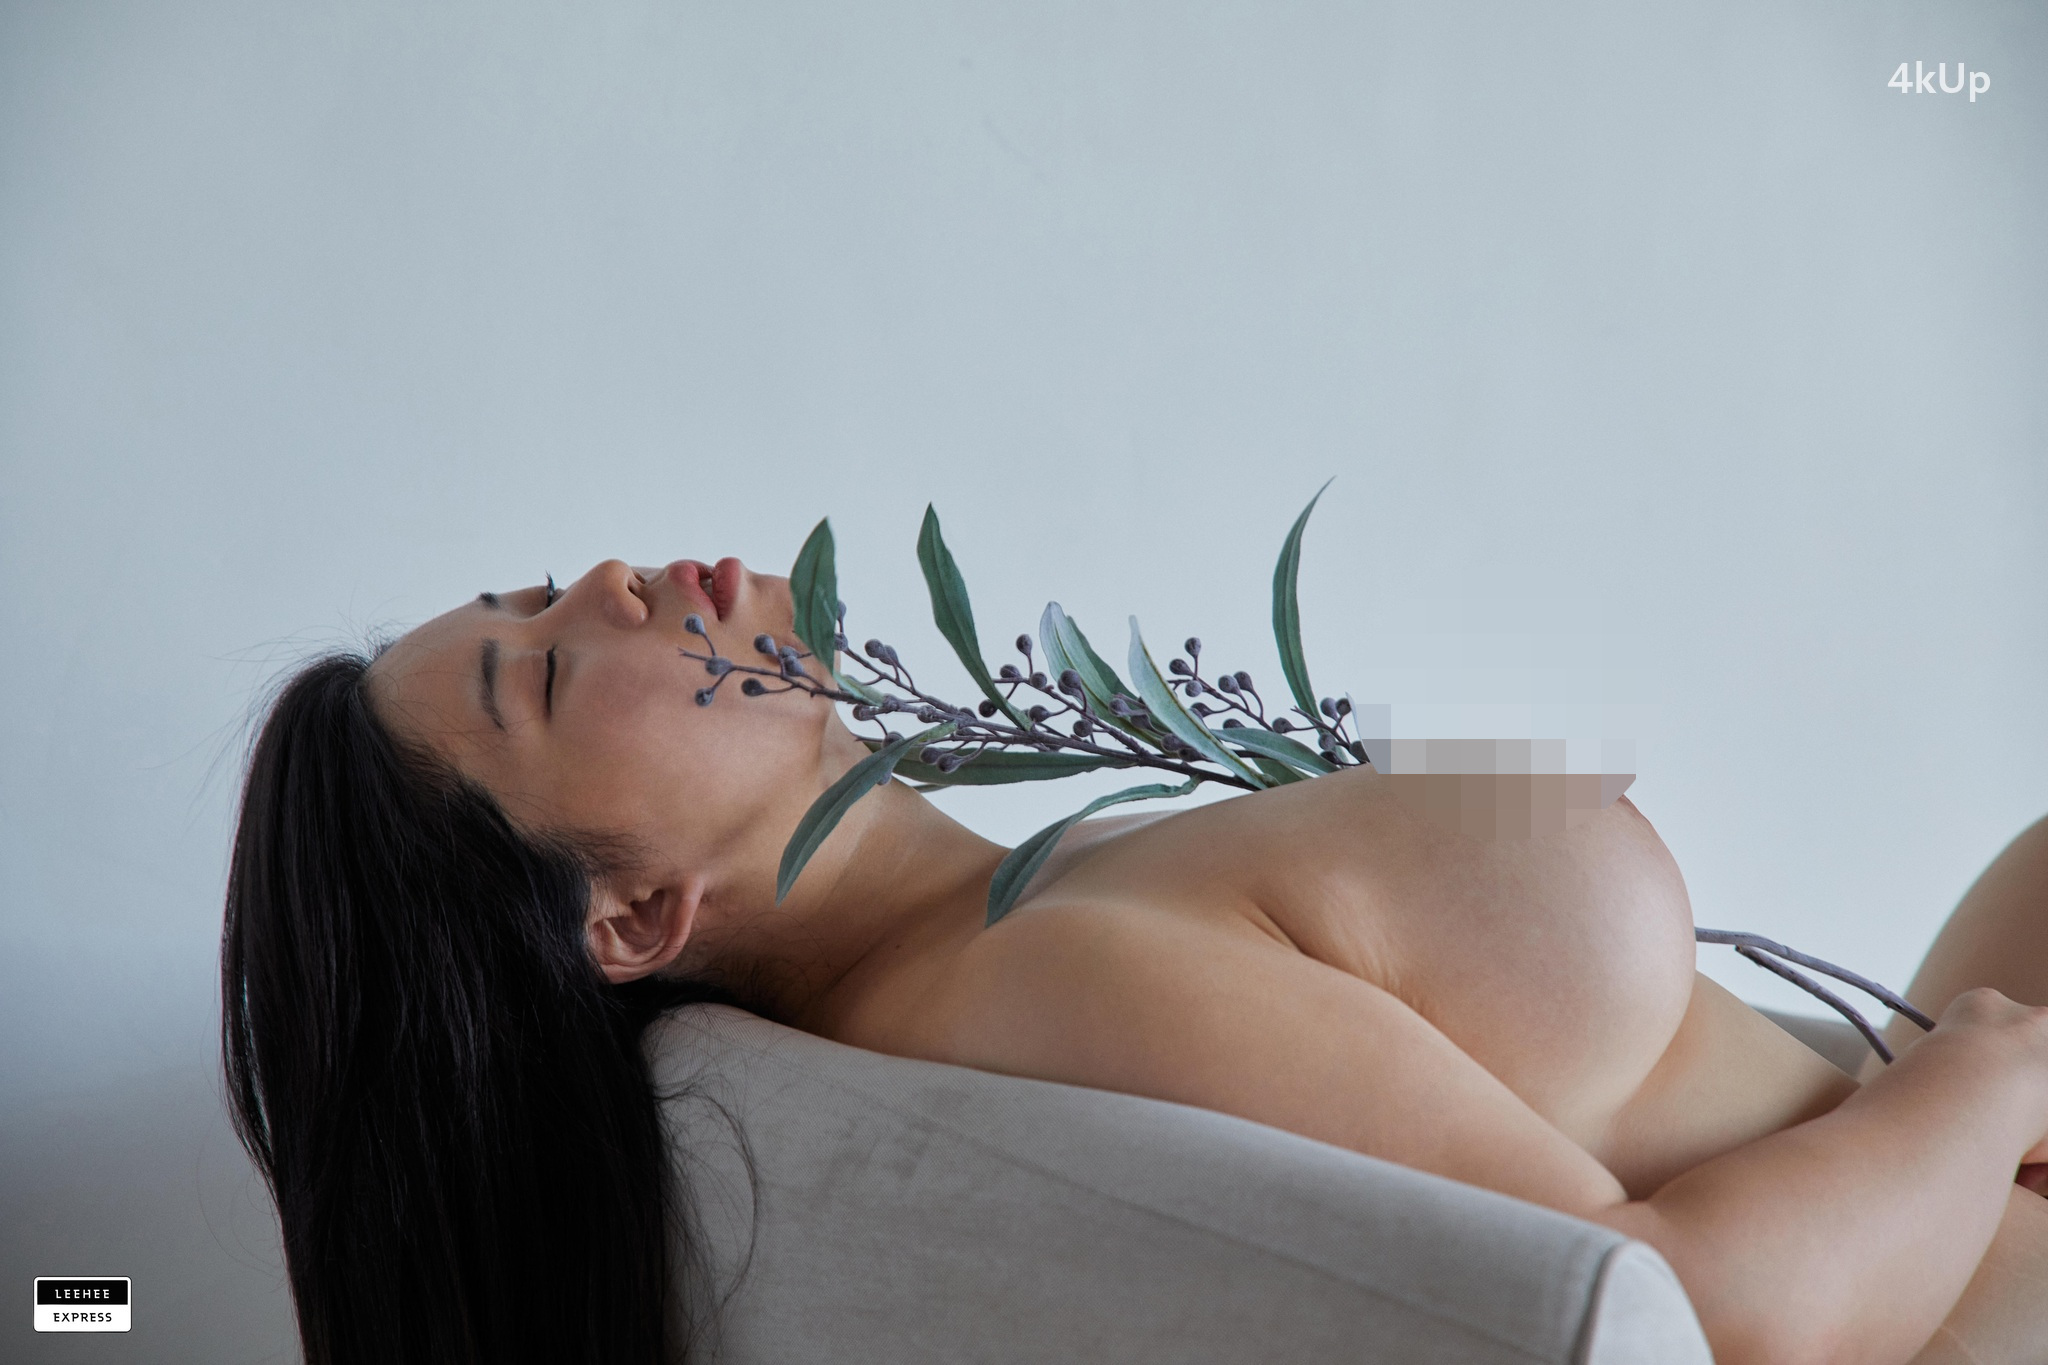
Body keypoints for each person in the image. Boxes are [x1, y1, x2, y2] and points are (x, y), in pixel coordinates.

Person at [223, 554, 2048, 1365]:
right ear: (629, 920)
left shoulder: (995, 920)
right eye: (545, 669)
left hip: (1918, 1157)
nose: (614, 577)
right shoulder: (1044, 983)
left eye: (540, 580)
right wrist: (1990, 1070)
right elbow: (1693, 1318)